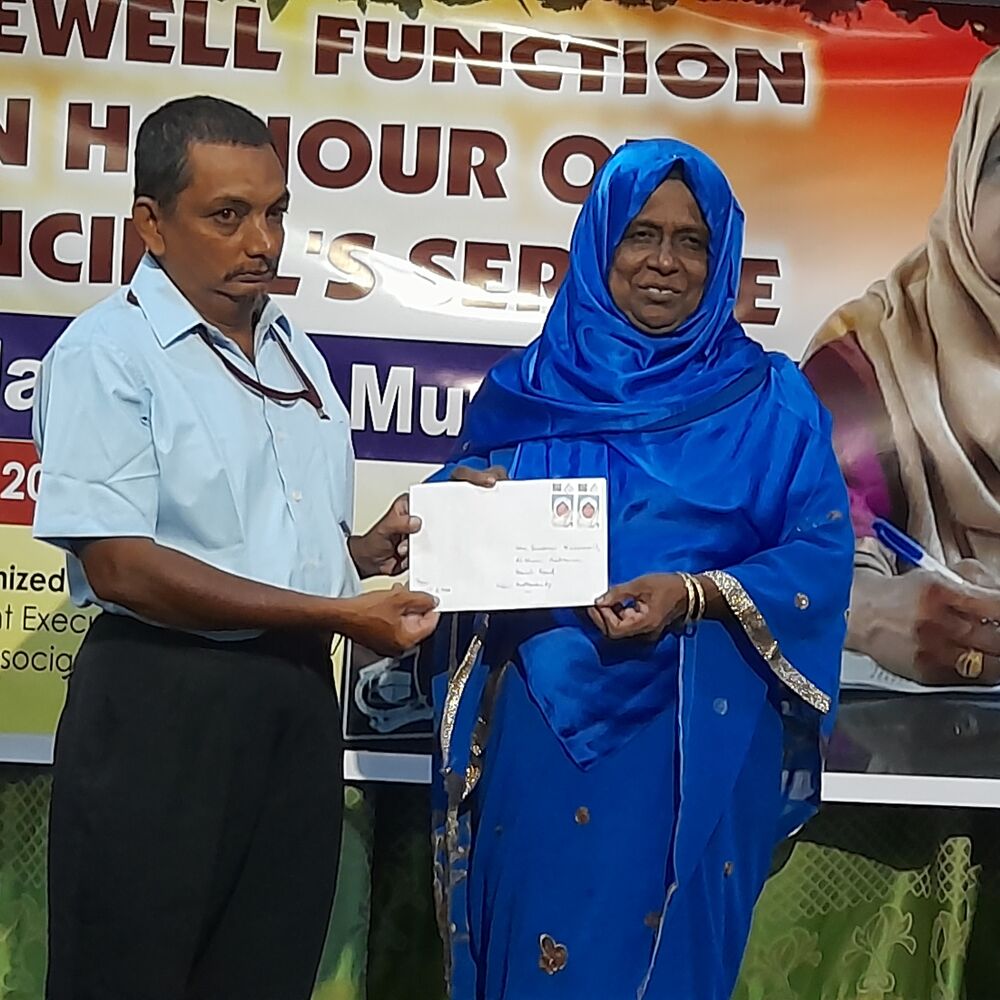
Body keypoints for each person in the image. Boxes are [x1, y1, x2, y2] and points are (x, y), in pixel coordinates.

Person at [424, 139, 855, 1000]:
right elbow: (458, 534)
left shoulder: (773, 402)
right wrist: (450, 511)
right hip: (546, 735)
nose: (665, 262)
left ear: (722, 257)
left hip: (697, 736)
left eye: (692, 241)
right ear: (601, 243)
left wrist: (693, 595)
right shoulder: (527, 390)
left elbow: (820, 553)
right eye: (641, 235)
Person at [31, 95, 439, 1000]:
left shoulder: (293, 349)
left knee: (264, 973)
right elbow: (121, 566)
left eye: (275, 212)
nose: (262, 242)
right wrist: (335, 611)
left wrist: (360, 553)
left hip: (294, 707)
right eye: (227, 215)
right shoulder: (108, 352)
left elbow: (257, 537)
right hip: (161, 706)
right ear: (151, 224)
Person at [803, 49, 1000, 686]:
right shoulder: (866, 358)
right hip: (906, 730)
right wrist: (866, 608)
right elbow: (816, 543)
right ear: (966, 179)